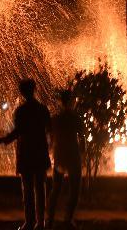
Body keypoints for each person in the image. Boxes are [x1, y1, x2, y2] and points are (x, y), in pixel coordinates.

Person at [0, 79, 51, 230]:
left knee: (27, 189)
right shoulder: (42, 109)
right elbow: (49, 129)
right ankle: (40, 222)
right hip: (40, 152)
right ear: (34, 90)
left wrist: (2, 140)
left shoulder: (21, 111)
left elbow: (18, 132)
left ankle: (30, 221)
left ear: (22, 92)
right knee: (40, 188)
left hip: (26, 153)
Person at [47, 89, 82, 230]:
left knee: (56, 188)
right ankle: (68, 219)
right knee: (74, 189)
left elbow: (50, 138)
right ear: (72, 102)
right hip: (73, 155)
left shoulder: (55, 119)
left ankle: (50, 219)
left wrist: (51, 151)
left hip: (60, 155)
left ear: (60, 102)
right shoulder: (75, 119)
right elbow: (83, 136)